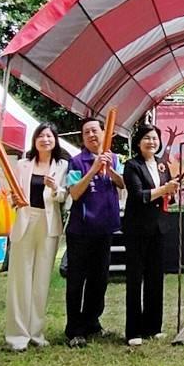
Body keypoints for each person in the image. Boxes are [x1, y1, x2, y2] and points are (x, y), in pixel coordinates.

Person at [5, 122, 69, 351]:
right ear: (35, 140)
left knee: (41, 279)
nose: (45, 140)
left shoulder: (62, 166)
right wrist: (13, 199)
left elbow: (64, 198)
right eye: (41, 136)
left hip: (49, 222)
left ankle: (36, 332)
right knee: (21, 278)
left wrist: (55, 188)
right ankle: (17, 335)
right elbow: (12, 192)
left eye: (49, 136)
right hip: (25, 219)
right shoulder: (22, 164)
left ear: (55, 140)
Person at [64, 117, 125, 348]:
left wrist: (108, 169)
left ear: (103, 133)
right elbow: (76, 193)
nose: (91, 135)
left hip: (105, 229)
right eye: (87, 132)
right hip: (81, 231)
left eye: (95, 131)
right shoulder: (76, 162)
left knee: (99, 281)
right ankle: (74, 330)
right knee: (77, 281)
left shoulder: (114, 158)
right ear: (83, 138)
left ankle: (92, 322)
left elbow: (121, 184)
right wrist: (94, 169)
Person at [122, 124, 179, 346]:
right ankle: (134, 331)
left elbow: (166, 197)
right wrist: (164, 190)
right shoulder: (132, 166)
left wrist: (170, 191)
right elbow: (138, 195)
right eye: (147, 138)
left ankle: (153, 327)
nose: (151, 142)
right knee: (136, 279)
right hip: (137, 229)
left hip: (158, 228)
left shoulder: (162, 166)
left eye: (154, 138)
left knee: (156, 278)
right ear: (138, 142)